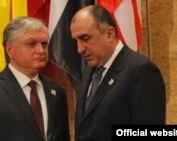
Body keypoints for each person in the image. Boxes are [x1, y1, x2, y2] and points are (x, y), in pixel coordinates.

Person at [0, 16, 70, 141]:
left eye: (44, 44)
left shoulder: (56, 91)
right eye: (31, 44)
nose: (41, 50)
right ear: (10, 50)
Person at [70, 5, 166, 141]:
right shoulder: (90, 69)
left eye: (85, 38)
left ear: (110, 34)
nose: (80, 49)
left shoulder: (141, 71)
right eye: (76, 41)